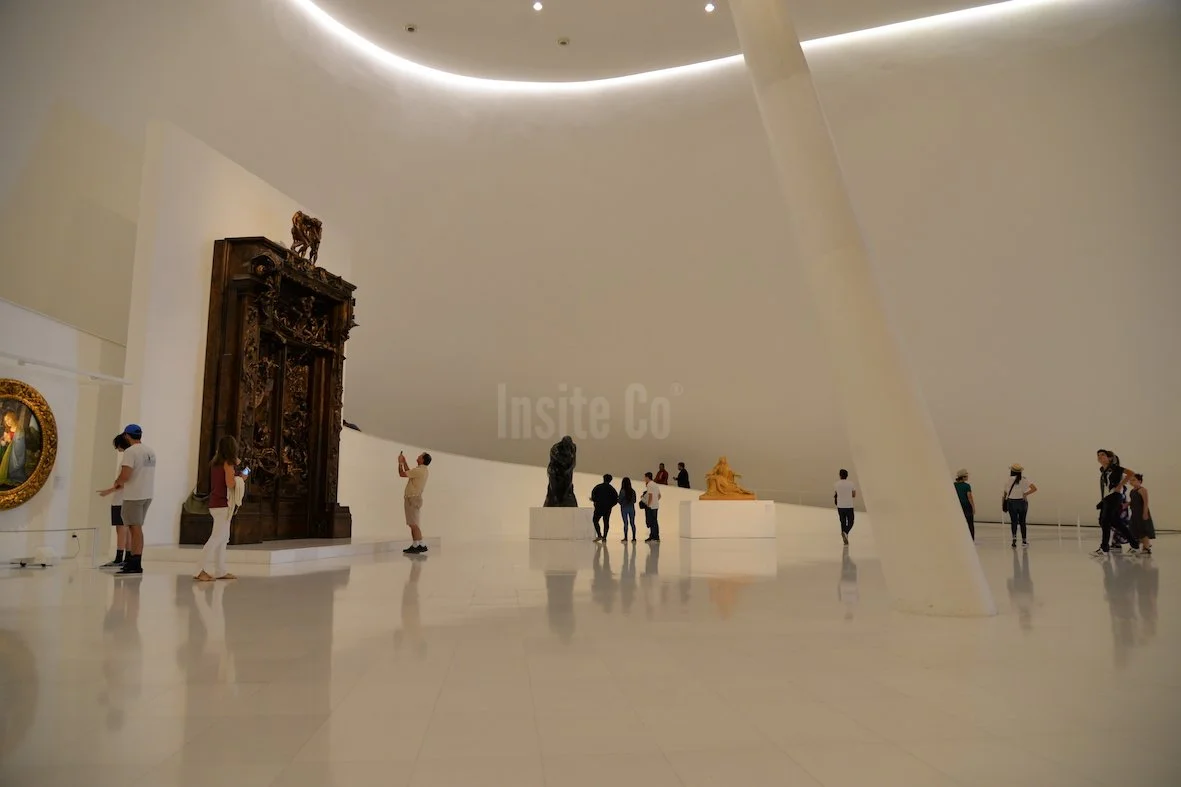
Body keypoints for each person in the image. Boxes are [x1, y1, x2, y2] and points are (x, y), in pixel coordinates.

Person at [194, 435, 246, 581]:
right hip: (223, 504)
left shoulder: (216, 463)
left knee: (223, 538)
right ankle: (199, 570)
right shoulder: (228, 464)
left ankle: (220, 570)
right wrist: (241, 478)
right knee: (217, 538)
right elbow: (230, 484)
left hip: (216, 503)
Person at [109, 425, 156, 575]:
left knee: (134, 529)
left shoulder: (131, 452)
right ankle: (134, 561)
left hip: (134, 495)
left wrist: (117, 482)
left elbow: (125, 475)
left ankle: (135, 563)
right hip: (147, 494)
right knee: (137, 528)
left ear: (126, 436)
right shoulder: (150, 451)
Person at [98, 434, 133, 568]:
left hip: (121, 499)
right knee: (127, 529)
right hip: (127, 498)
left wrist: (109, 490)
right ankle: (127, 557)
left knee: (121, 529)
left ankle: (119, 557)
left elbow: (123, 481)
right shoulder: (132, 457)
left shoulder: (127, 459)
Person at [1094, 449, 1135, 556]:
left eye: (1103, 455)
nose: (1100, 457)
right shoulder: (1103, 470)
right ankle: (1134, 544)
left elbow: (1131, 473)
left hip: (1114, 496)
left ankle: (1104, 548)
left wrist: (1120, 485)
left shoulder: (1116, 468)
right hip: (1107, 498)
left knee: (1105, 522)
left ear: (1110, 458)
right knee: (1115, 522)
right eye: (1098, 455)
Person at [399, 450, 431, 554]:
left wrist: (400, 463)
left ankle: (421, 544)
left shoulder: (419, 470)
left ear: (422, 460)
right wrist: (404, 462)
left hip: (412, 499)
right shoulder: (421, 470)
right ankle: (416, 544)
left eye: (420, 456)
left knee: (413, 524)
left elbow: (402, 474)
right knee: (413, 523)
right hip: (414, 498)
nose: (418, 456)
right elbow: (409, 473)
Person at [1002, 463, 1037, 549]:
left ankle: (1014, 541)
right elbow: (1034, 488)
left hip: (1011, 502)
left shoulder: (1008, 480)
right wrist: (1025, 494)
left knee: (1013, 521)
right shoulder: (1024, 480)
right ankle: (1024, 541)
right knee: (1022, 522)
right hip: (1022, 502)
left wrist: (1003, 503)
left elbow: (1005, 493)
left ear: (1012, 471)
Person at [1128, 473, 1155, 556]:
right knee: (1135, 529)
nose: (1131, 482)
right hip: (1135, 513)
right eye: (1130, 480)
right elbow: (1133, 501)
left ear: (1139, 481)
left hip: (1141, 513)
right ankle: (1136, 546)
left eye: (1133, 480)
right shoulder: (1132, 491)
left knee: (1144, 529)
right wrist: (1127, 504)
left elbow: (1146, 502)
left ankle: (1146, 548)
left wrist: (1145, 513)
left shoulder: (1142, 490)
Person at [0, 409, 28, 487]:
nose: (7, 422)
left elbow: (19, 444)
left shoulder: (19, 429)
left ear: (13, 417)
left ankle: (16, 478)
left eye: (8, 419)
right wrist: (3, 440)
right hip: (8, 451)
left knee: (13, 467)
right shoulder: (8, 429)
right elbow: (5, 439)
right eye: (6, 421)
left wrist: (9, 440)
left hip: (15, 453)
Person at [589, 474, 619, 542]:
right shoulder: (612, 489)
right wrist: (610, 505)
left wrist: (594, 501)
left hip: (598, 507)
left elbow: (593, 495)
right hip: (607, 508)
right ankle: (604, 537)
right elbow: (616, 499)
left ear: (603, 478)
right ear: (610, 480)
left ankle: (599, 535)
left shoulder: (598, 487)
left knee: (595, 520)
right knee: (606, 522)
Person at [833, 469, 857, 545]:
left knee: (842, 522)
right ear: (847, 475)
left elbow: (836, 493)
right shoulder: (851, 484)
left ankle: (845, 535)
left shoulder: (836, 484)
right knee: (851, 521)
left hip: (840, 506)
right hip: (849, 505)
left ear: (840, 475)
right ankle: (845, 532)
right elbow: (854, 495)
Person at [954, 469, 976, 540]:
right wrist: (973, 507)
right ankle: (971, 539)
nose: (967, 477)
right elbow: (970, 497)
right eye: (966, 476)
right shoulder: (967, 486)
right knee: (970, 523)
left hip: (957, 506)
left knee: (958, 523)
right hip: (966, 506)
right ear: (963, 477)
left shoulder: (954, 485)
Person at [641, 471, 661, 542]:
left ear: (647, 477)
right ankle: (655, 536)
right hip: (656, 506)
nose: (644, 479)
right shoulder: (655, 484)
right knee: (655, 521)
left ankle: (653, 536)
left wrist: (648, 504)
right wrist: (655, 501)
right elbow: (659, 496)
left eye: (645, 477)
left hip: (651, 507)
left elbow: (650, 495)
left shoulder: (649, 484)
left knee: (651, 522)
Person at [618, 477, 638, 542]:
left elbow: (619, 500)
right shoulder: (633, 491)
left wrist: (622, 503)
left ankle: (626, 537)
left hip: (624, 508)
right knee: (632, 523)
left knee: (625, 523)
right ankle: (634, 538)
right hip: (631, 508)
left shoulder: (622, 491)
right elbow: (635, 500)